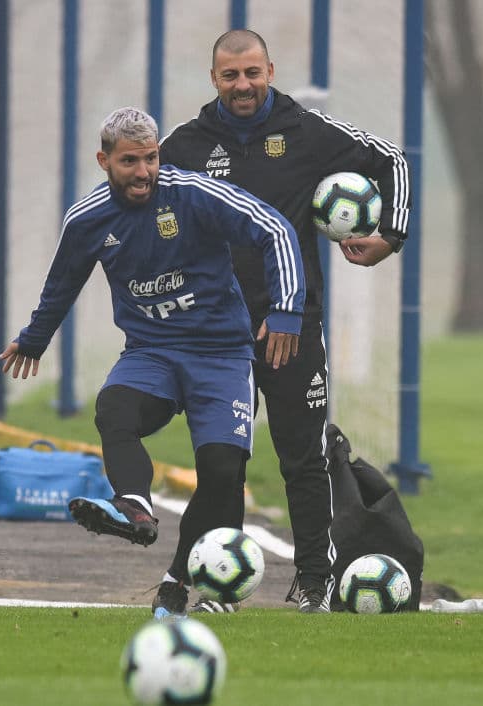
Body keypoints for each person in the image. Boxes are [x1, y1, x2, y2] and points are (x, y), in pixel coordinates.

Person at [0, 106, 305, 620]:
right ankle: (134, 506)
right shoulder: (87, 219)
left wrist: (287, 311)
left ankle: (185, 585)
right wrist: (34, 339)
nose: (144, 172)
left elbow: (274, 229)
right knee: (114, 409)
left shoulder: (194, 195)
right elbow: (63, 283)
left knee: (222, 470)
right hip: (151, 352)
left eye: (151, 158)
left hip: (222, 354)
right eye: (130, 161)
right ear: (104, 161)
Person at [158, 29, 411, 614]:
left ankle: (314, 583)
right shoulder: (185, 146)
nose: (243, 85)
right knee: (223, 463)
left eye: (253, 72)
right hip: (216, 335)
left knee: (303, 457)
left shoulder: (308, 132)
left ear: (270, 71)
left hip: (293, 325)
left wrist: (391, 236)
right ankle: (210, 583)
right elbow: (142, 206)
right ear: (214, 79)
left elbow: (392, 159)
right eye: (230, 75)